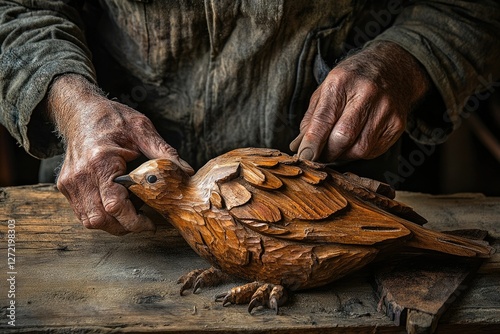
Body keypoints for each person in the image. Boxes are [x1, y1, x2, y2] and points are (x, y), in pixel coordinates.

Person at [0, 1, 499, 235]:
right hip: (112, 204)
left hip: (345, 204)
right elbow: (15, 10)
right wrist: (72, 104)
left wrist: (404, 62)